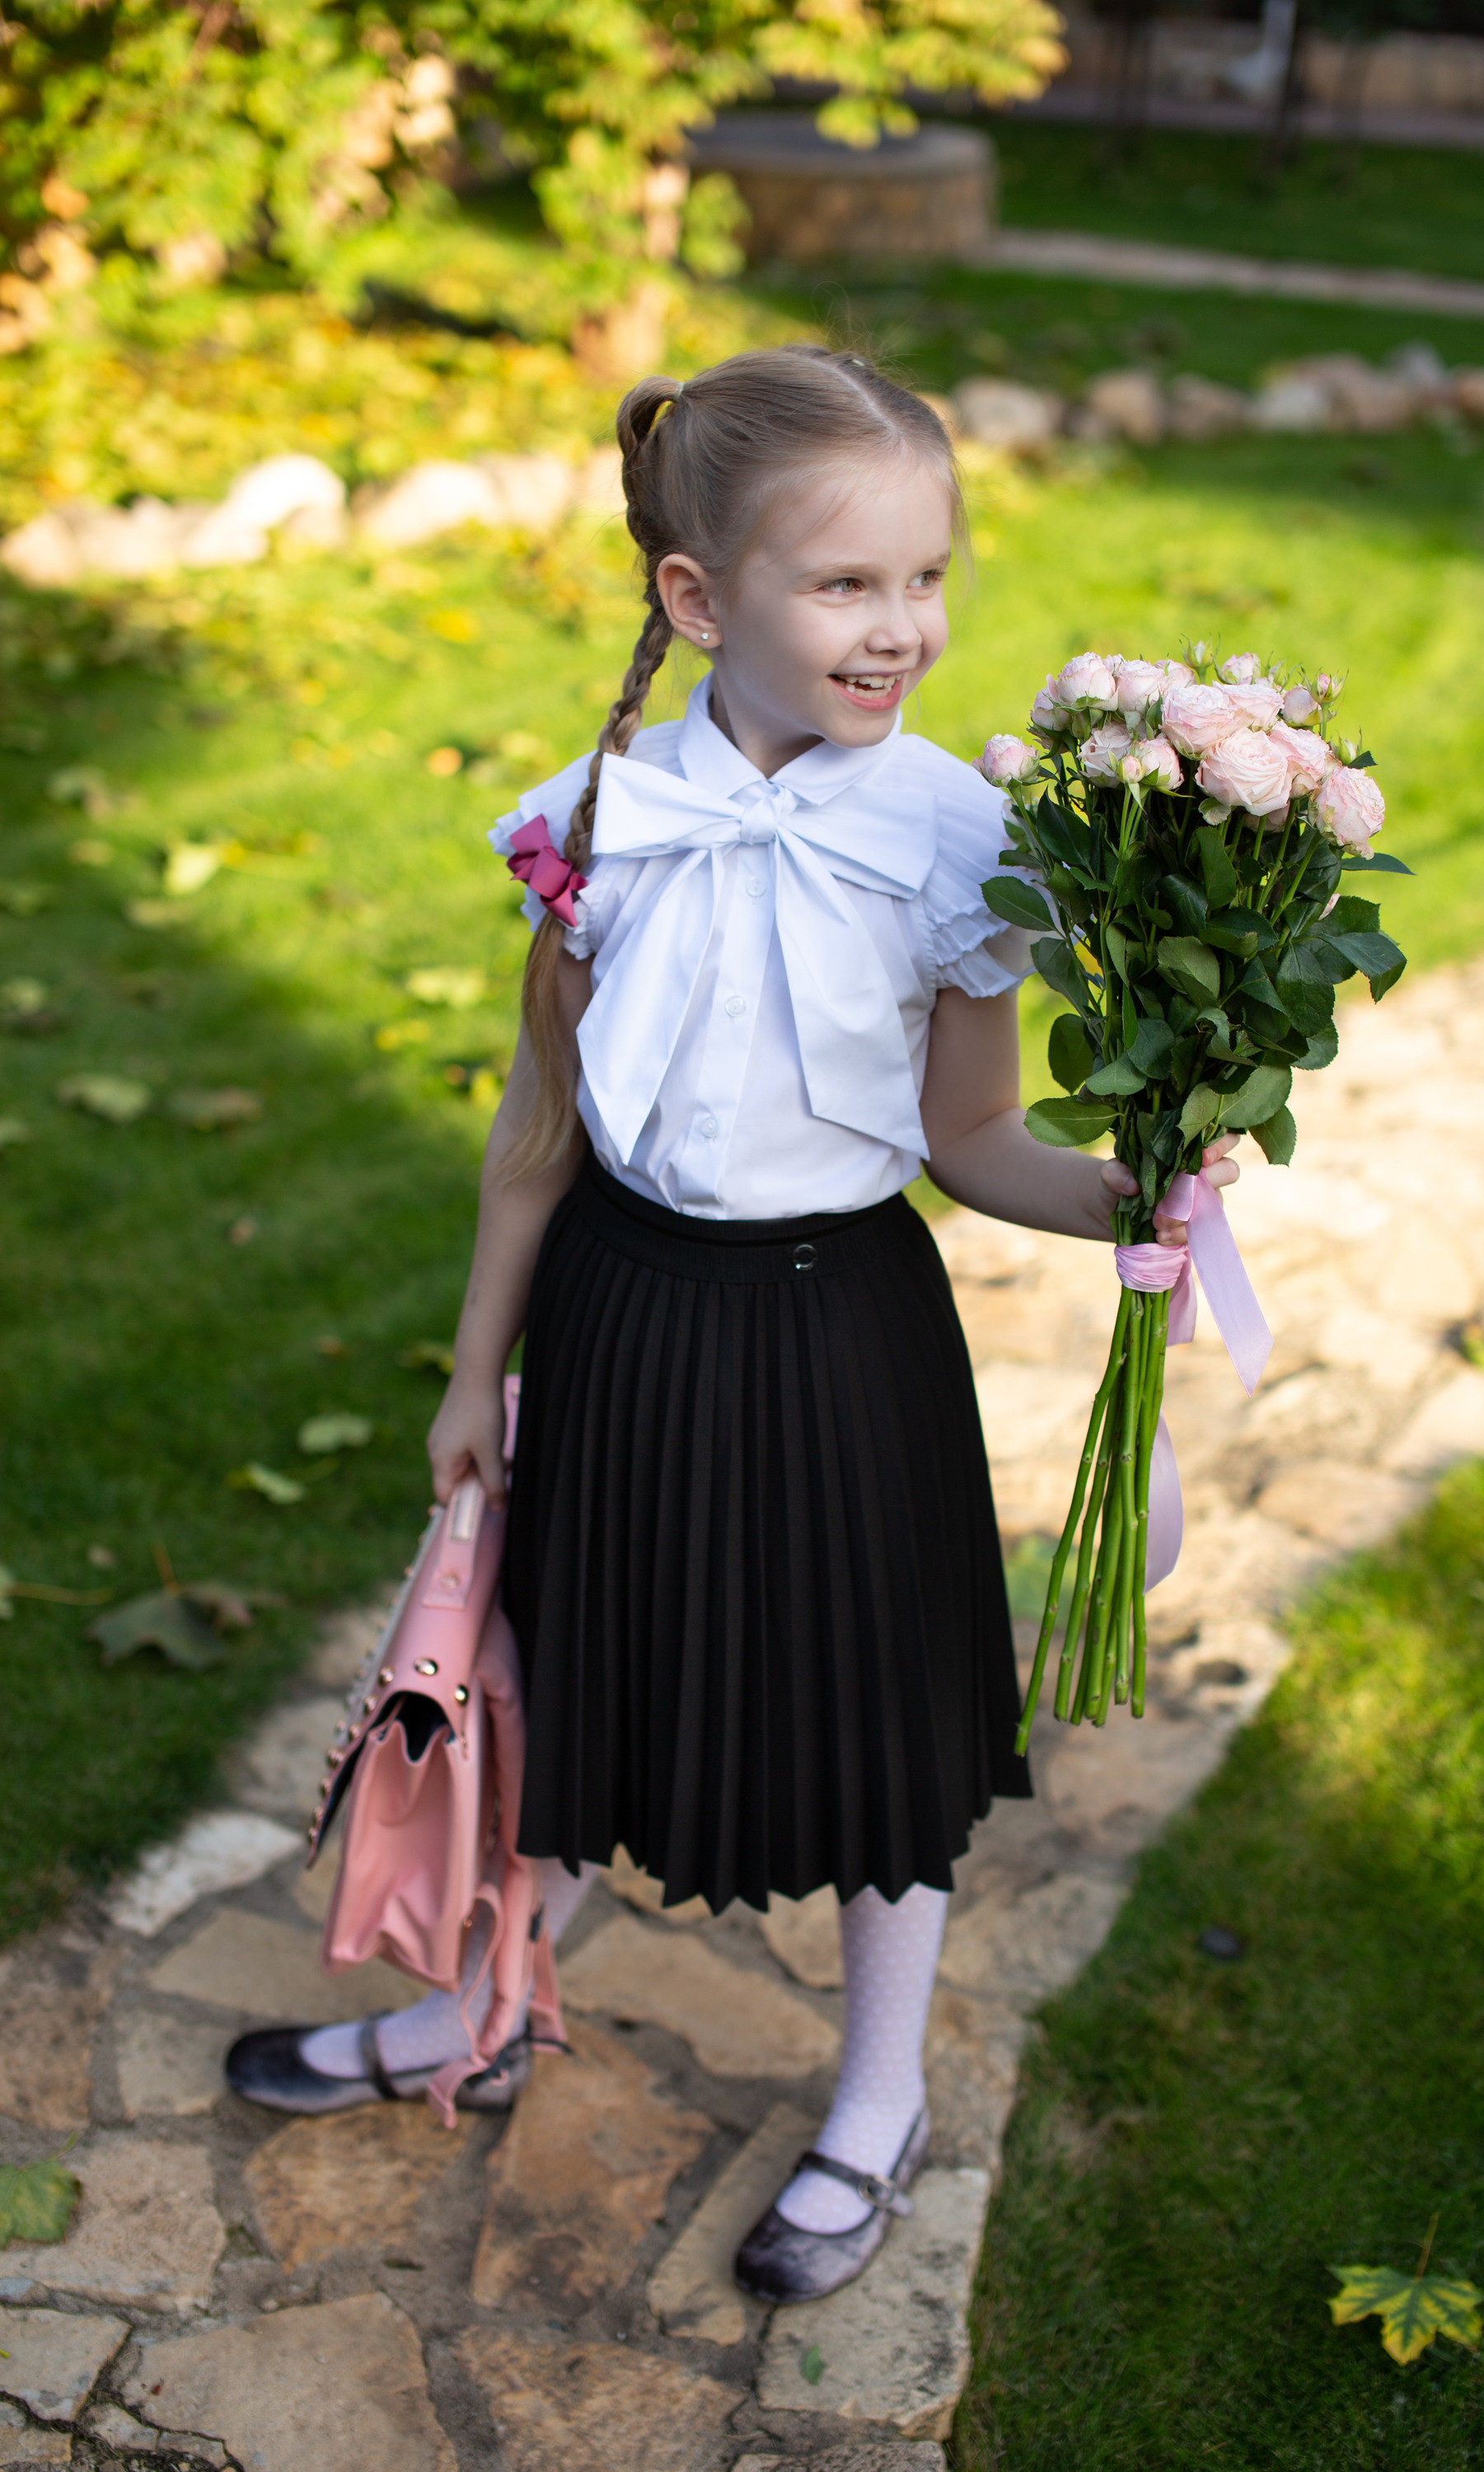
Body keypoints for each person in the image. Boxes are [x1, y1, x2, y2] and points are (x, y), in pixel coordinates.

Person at [227, 344, 1237, 2301]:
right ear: (697, 599)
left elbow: (965, 1139)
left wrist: (1129, 1194)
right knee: (575, 1676)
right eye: (847, 586)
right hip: (616, 1316)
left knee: (882, 1712)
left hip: (841, 1324)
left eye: (928, 577)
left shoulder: (960, 837)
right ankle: (482, 2009)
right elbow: (539, 1126)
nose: (906, 629)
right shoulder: (589, 817)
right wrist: (468, 1365)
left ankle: (876, 2096)